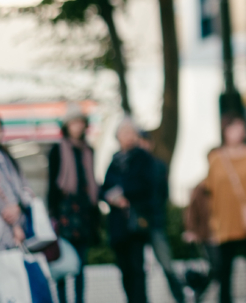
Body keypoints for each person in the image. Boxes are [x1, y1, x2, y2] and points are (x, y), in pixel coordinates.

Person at [205, 113, 246, 303]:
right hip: (226, 220)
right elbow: (210, 190)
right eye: (233, 128)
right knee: (224, 268)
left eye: (241, 128)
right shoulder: (216, 158)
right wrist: (212, 221)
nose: (238, 132)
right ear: (225, 131)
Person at [47, 104, 99, 303]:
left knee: (80, 265)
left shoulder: (88, 151)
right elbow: (53, 184)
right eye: (73, 122)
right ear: (66, 125)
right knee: (61, 262)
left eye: (80, 122)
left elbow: (92, 182)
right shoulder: (57, 150)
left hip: (84, 214)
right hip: (65, 213)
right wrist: (52, 215)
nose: (77, 126)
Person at [102, 118, 156, 303]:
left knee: (137, 268)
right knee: (124, 268)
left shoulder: (143, 158)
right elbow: (104, 187)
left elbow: (148, 186)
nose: (127, 137)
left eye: (130, 133)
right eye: (124, 133)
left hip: (136, 222)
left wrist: (125, 195)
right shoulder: (115, 160)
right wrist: (111, 197)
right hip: (118, 224)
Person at [139, 130, 186, 303]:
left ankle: (180, 298)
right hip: (135, 225)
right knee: (138, 269)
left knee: (167, 264)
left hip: (155, 222)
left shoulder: (158, 166)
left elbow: (163, 194)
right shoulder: (130, 165)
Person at [0, 117, 35, 251]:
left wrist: (18, 206)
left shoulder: (7, 157)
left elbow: (24, 188)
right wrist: (14, 224)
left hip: (16, 229)